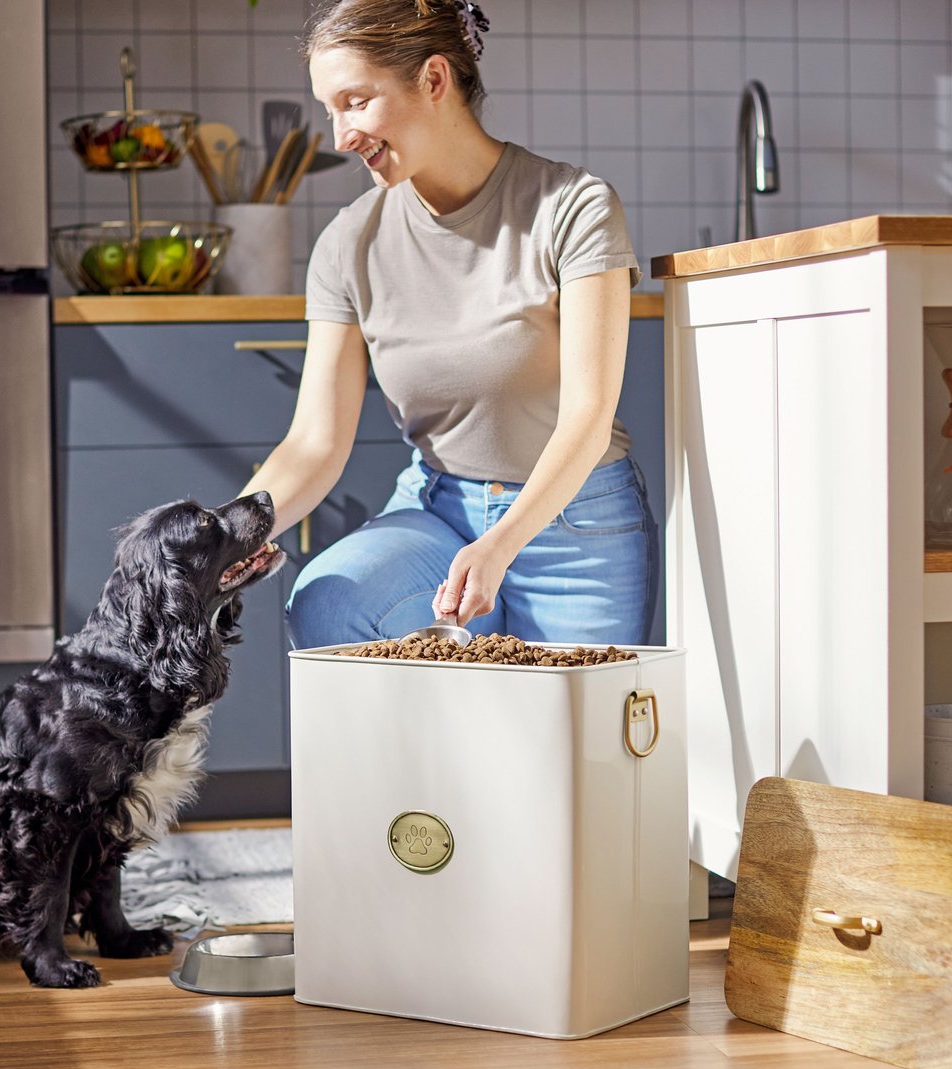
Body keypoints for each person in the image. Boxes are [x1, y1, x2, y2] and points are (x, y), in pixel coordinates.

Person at [239, 0, 656, 649]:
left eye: (355, 102)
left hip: (576, 529)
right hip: (438, 514)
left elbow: (587, 414)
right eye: (330, 111)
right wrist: (225, 537)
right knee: (330, 603)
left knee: (574, 744)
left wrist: (503, 544)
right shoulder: (349, 243)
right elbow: (314, 442)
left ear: (434, 80)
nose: (341, 136)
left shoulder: (571, 208)